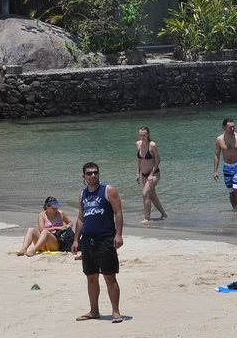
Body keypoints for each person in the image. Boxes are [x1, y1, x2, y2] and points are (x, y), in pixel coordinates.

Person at [71, 163, 124, 324]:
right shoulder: (83, 194)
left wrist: (119, 235)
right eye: (89, 173)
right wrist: (75, 240)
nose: (93, 175)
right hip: (88, 241)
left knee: (109, 276)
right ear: (84, 177)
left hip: (106, 239)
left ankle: (115, 312)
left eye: (95, 172)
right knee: (91, 277)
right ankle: (94, 311)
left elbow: (118, 212)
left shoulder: (108, 190)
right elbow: (81, 218)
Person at [213, 118, 237, 212]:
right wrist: (215, 171)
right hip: (227, 167)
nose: (232, 129)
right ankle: (235, 210)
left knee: (236, 188)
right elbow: (216, 155)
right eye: (230, 127)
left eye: (233, 126)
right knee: (231, 191)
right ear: (224, 127)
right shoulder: (219, 139)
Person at [135, 126, 166, 222]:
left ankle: (146, 218)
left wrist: (151, 174)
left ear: (148, 134)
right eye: (140, 135)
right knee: (152, 196)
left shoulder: (152, 145)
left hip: (154, 173)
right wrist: (137, 173)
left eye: (144, 135)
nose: (142, 137)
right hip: (143, 174)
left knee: (145, 194)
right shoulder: (138, 144)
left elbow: (158, 160)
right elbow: (139, 160)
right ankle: (164, 214)